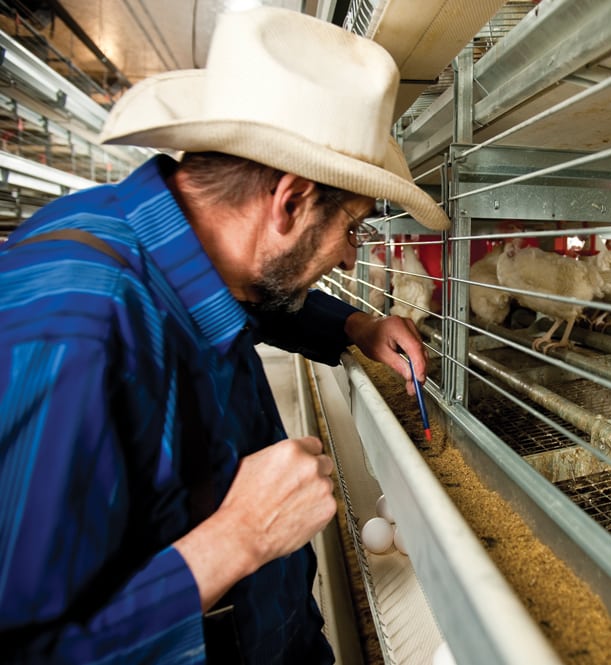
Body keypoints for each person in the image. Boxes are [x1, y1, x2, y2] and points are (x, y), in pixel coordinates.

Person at [0, 7, 450, 664]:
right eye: (350, 228)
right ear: (289, 202)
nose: (351, 257)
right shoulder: (74, 338)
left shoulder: (174, 245)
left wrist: (356, 325)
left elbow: (254, 297)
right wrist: (238, 538)